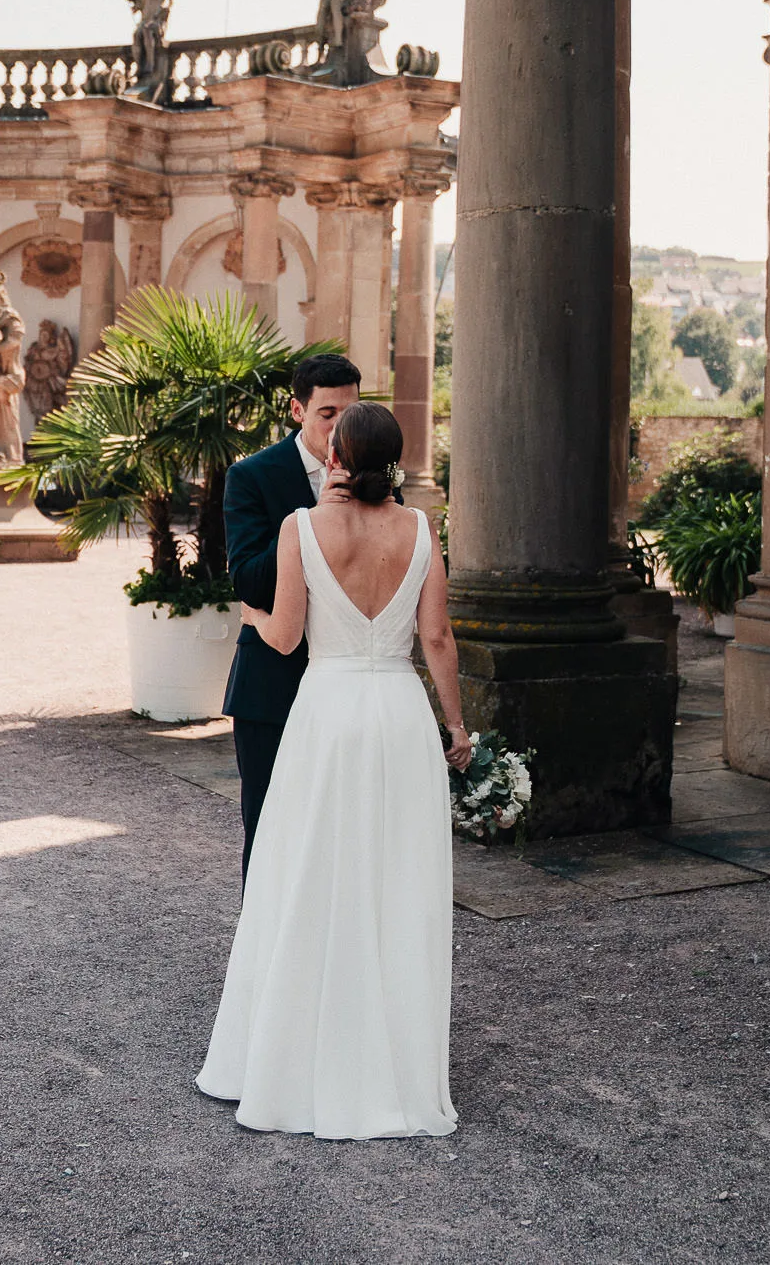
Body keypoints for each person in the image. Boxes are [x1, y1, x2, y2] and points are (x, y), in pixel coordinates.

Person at [197, 401, 472, 1138]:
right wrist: (457, 726)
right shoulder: (420, 527)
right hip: (400, 718)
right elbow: (437, 638)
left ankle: (296, 1055)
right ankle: (392, 1063)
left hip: (327, 715)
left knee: (307, 877)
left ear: (338, 457)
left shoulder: (300, 526)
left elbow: (284, 637)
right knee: (394, 882)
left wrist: (247, 615)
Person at [220, 353, 361, 882]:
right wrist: (318, 519)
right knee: (270, 828)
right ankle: (262, 959)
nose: (340, 427)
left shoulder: (377, 477)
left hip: (348, 685)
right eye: (328, 413)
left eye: (350, 413)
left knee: (340, 832)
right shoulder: (251, 476)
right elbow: (249, 580)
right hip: (271, 687)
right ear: (297, 410)